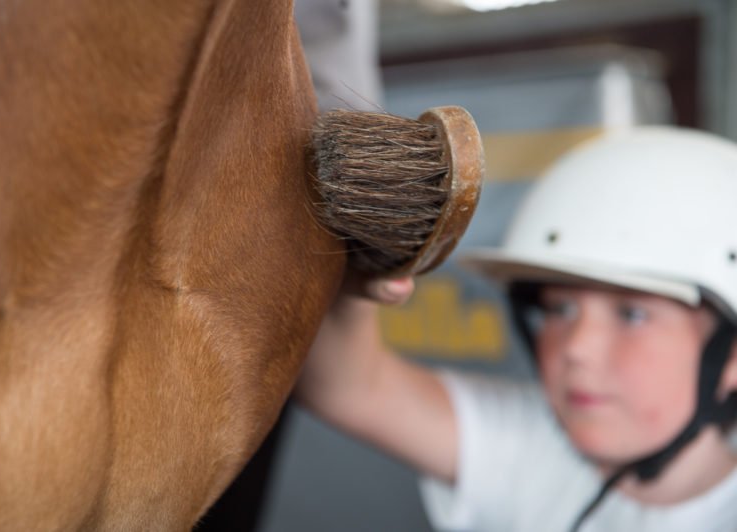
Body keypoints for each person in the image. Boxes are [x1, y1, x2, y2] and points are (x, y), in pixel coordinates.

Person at [295, 126, 737, 531]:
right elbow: (347, 388)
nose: (577, 348)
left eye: (632, 315)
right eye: (560, 309)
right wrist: (359, 270)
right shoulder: (534, 444)